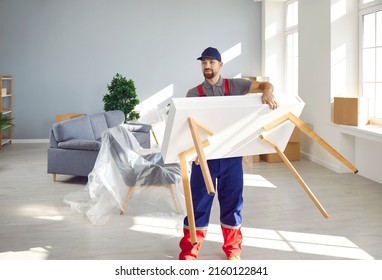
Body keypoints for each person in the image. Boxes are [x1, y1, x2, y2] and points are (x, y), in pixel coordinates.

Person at [179, 47, 278, 260]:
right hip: (204, 159)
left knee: (233, 203)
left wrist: (268, 91)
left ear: (220, 65)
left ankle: (233, 249)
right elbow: (186, 128)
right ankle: (190, 250)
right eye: (204, 62)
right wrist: (193, 150)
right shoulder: (193, 93)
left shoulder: (234, 85)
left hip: (232, 157)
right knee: (198, 204)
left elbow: (264, 85)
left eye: (211, 62)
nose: (207, 66)